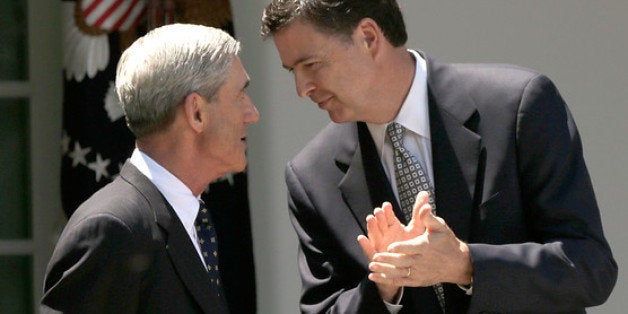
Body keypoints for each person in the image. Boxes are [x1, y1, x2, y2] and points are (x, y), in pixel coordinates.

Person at [260, 0, 617, 313]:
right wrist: (386, 288)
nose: (301, 88)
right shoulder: (311, 176)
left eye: (311, 65)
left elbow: (590, 269)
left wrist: (465, 264)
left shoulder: (519, 107)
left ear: (369, 38)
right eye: (293, 71)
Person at [41, 23, 259, 313]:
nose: (252, 114)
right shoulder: (113, 228)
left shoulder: (190, 219)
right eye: (240, 95)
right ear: (196, 112)